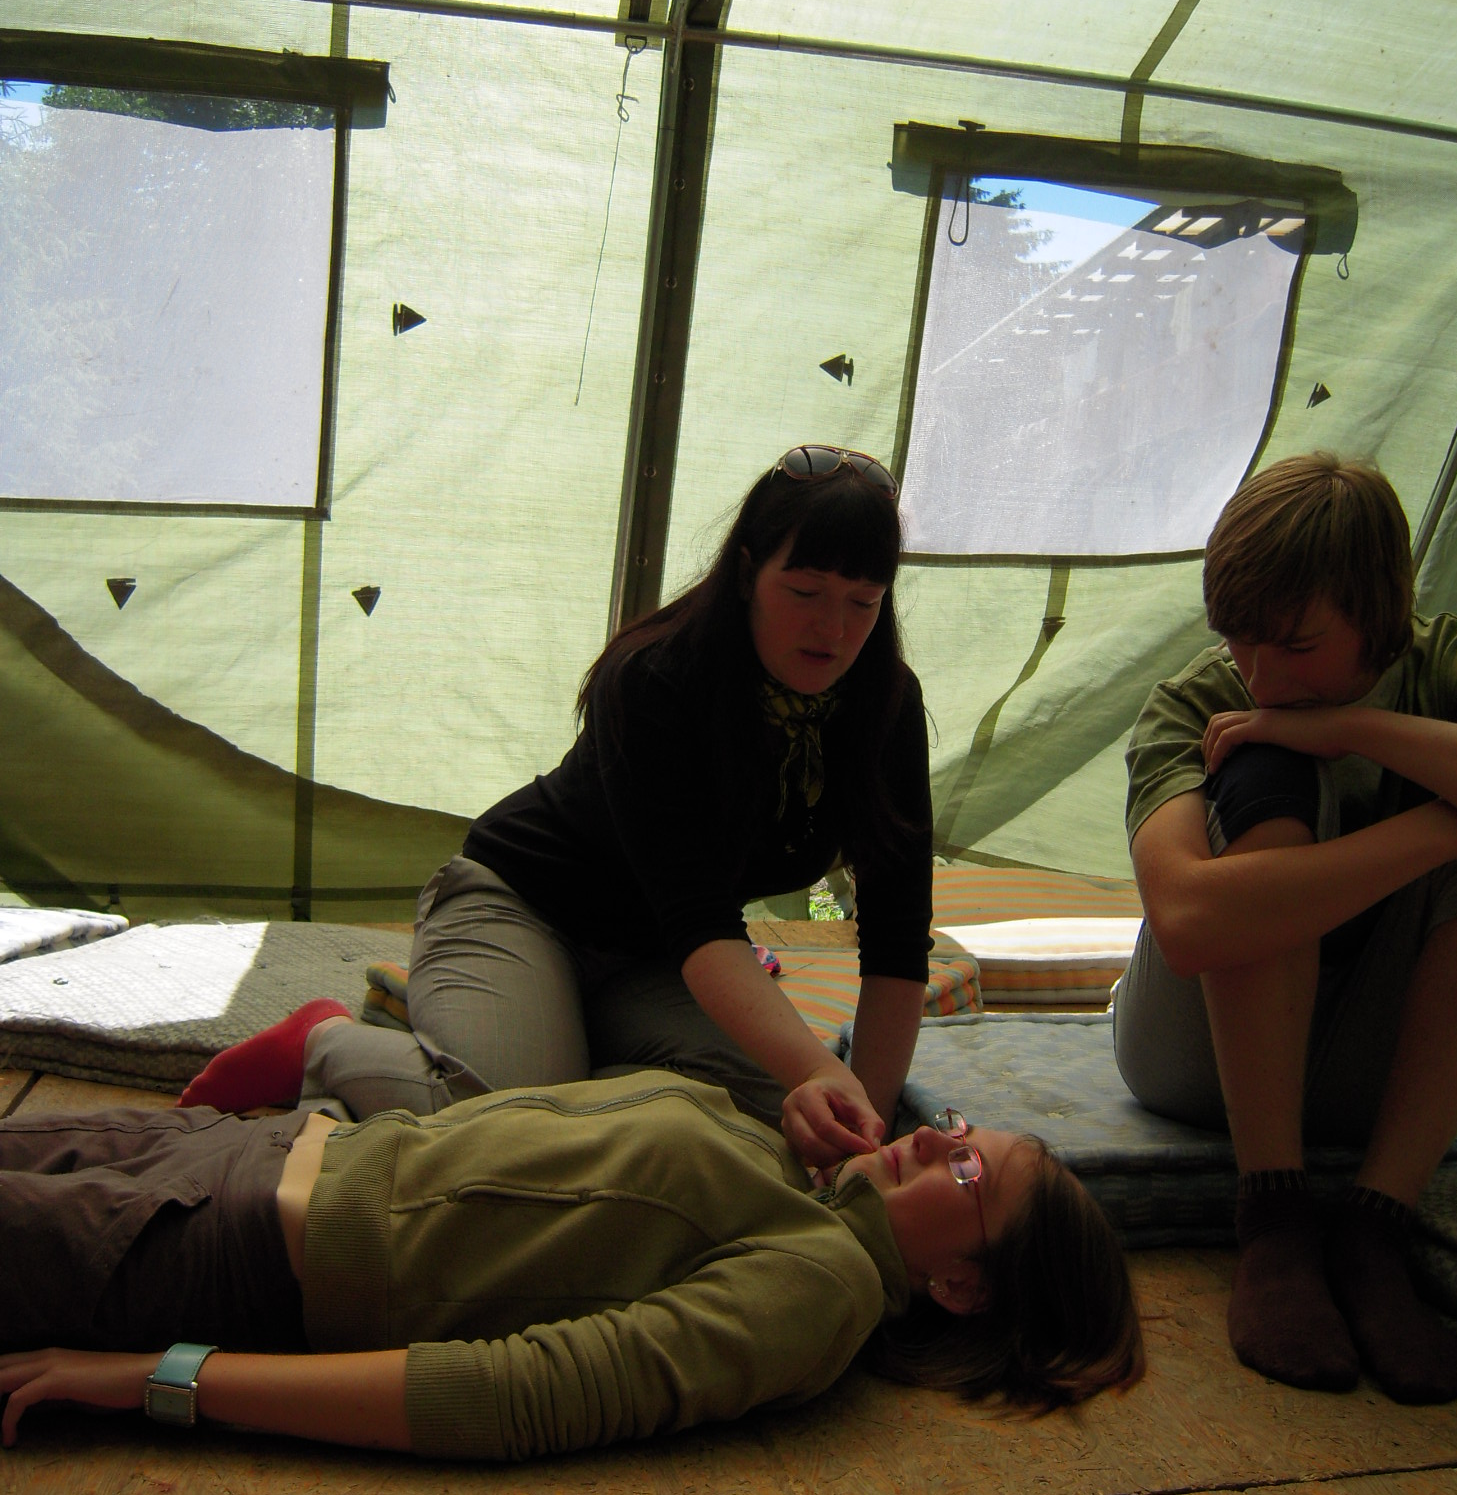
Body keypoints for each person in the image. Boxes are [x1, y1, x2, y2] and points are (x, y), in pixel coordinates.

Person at [180, 447, 932, 1173]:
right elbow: (702, 921)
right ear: (746, 573)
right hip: (525, 907)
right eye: (804, 594)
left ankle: (553, 1053)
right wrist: (817, 1072)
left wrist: (864, 1124)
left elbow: (897, 939)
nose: (834, 631)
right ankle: (324, 1042)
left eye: (862, 603)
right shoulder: (657, 679)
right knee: (509, 1124)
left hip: (653, 962)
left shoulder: (886, 709)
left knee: (781, 1123)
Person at [0, 1075, 1145, 1457]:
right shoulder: (801, 1188)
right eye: (960, 1127)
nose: (937, 1139)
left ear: (963, 1286)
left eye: (966, 1172)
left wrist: (162, 1376)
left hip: (216, 1247)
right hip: (245, 1145)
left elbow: (517, 1392)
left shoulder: (823, 1289)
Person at [1113, 452, 1457, 1404]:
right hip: (1196, 1063)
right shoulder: (1200, 699)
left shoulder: (1447, 664)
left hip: (1376, 1071)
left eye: (1297, 647)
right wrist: (1445, 828)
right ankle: (1274, 1219)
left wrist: (1353, 730)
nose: (1261, 678)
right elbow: (1189, 923)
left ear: (1378, 616)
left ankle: (1377, 1222)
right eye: (1239, 642)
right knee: (1261, 772)